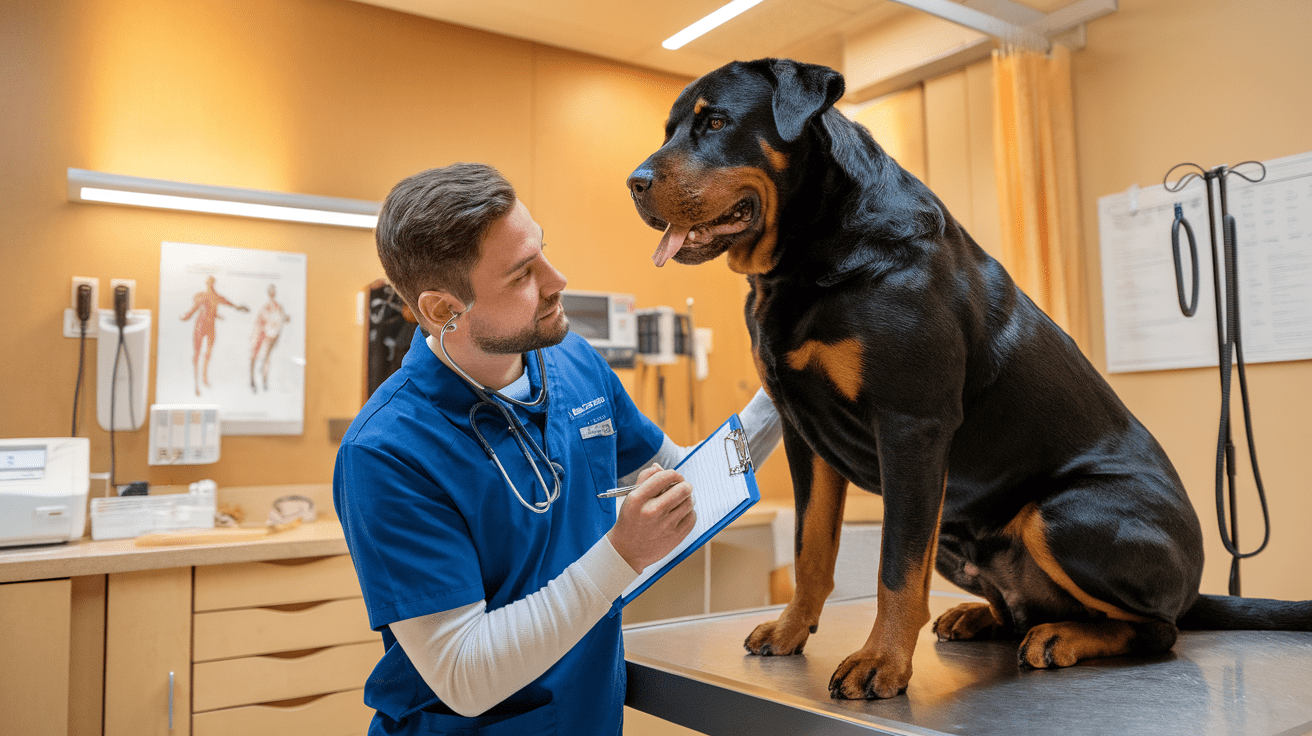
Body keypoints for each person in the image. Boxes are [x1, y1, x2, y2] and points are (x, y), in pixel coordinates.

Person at [333, 162, 780, 735]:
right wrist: (620, 555)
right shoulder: (387, 452)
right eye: (523, 275)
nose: (557, 279)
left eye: (543, 250)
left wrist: (784, 395)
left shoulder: (572, 363)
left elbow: (687, 478)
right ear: (444, 310)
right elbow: (464, 675)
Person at [180, 274, 248, 396]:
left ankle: (204, 378)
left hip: (210, 327)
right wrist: (186, 316)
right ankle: (196, 384)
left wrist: (236, 308)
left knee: (208, 353)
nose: (210, 284)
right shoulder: (201, 296)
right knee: (197, 353)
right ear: (207, 283)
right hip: (201, 326)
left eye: (211, 282)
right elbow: (196, 309)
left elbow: (226, 304)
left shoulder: (216, 297)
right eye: (208, 282)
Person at [249, 283, 291, 392]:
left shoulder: (279, 307)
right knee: (255, 355)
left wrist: (285, 319)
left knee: (267, 359)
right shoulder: (266, 307)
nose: (272, 294)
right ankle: (253, 380)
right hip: (264, 334)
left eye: (273, 292)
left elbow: (282, 318)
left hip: (272, 336)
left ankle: (264, 381)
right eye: (270, 292)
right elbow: (259, 321)